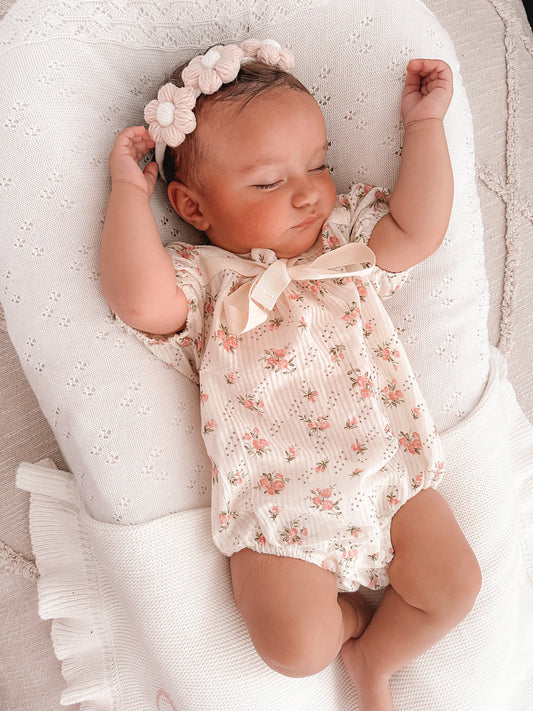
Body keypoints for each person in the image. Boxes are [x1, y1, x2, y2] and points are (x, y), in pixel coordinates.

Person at [99, 39, 481, 711]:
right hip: (278, 504)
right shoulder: (205, 280)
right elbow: (139, 300)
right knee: (294, 648)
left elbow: (417, 231)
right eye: (268, 183)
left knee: (454, 586)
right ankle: (349, 623)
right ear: (193, 208)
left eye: (318, 165)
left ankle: (375, 657)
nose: (308, 193)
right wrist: (130, 195)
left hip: (389, 473)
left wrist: (425, 126)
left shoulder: (344, 242)